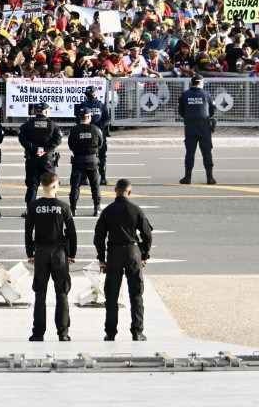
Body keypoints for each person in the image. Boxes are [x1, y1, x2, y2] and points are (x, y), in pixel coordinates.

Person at [93, 178, 154, 341]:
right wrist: (144, 254)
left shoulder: (108, 211)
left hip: (114, 253)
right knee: (136, 294)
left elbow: (99, 237)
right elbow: (147, 234)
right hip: (133, 252)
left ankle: (110, 332)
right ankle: (137, 331)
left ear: (115, 191)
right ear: (129, 192)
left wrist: (101, 258)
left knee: (111, 296)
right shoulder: (136, 210)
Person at [25, 172, 76, 342]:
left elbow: (28, 232)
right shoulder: (63, 206)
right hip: (59, 253)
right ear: (54, 186)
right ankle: (63, 333)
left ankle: (38, 333)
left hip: (40, 252)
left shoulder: (33, 206)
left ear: (42, 186)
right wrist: (72, 253)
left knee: (40, 293)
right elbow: (71, 233)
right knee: (61, 293)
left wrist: (30, 253)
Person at [18, 103, 62, 210]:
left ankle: (30, 210)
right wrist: (45, 150)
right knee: (51, 184)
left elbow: (22, 139)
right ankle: (54, 208)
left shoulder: (28, 124)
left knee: (32, 186)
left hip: (32, 158)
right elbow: (58, 140)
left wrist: (34, 148)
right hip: (47, 159)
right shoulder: (52, 125)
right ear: (46, 112)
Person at [177, 75, 217, 184]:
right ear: (201, 83)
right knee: (207, 153)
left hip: (190, 127)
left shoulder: (184, 95)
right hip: (204, 127)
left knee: (190, 153)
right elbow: (212, 110)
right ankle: (210, 178)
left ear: (192, 82)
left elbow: (181, 111)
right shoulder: (207, 94)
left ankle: (187, 177)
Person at [67, 109, 104, 215]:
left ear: (80, 117)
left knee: (75, 186)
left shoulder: (74, 130)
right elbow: (100, 144)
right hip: (92, 160)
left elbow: (71, 145)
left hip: (78, 160)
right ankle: (97, 208)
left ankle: (73, 208)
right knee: (95, 185)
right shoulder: (96, 129)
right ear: (89, 117)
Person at [75, 85, 111, 185]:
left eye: (92, 93)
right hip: (85, 132)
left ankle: (102, 177)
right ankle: (83, 178)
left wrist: (99, 128)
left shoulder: (101, 105)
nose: (91, 95)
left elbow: (107, 119)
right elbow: (78, 119)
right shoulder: (83, 105)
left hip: (99, 134)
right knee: (84, 155)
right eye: (89, 94)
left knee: (101, 156)